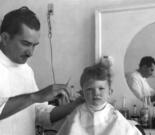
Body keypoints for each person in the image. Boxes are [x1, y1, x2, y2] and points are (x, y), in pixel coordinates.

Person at [0, 7, 83, 135]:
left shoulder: (27, 70)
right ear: (5, 38)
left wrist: (75, 105)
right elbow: (33, 99)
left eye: (34, 45)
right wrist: (35, 96)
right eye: (26, 44)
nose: (31, 53)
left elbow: (39, 113)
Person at [57, 63, 142, 135]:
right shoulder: (76, 115)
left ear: (110, 92)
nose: (96, 93)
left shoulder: (115, 116)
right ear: (82, 93)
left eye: (101, 89)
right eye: (90, 89)